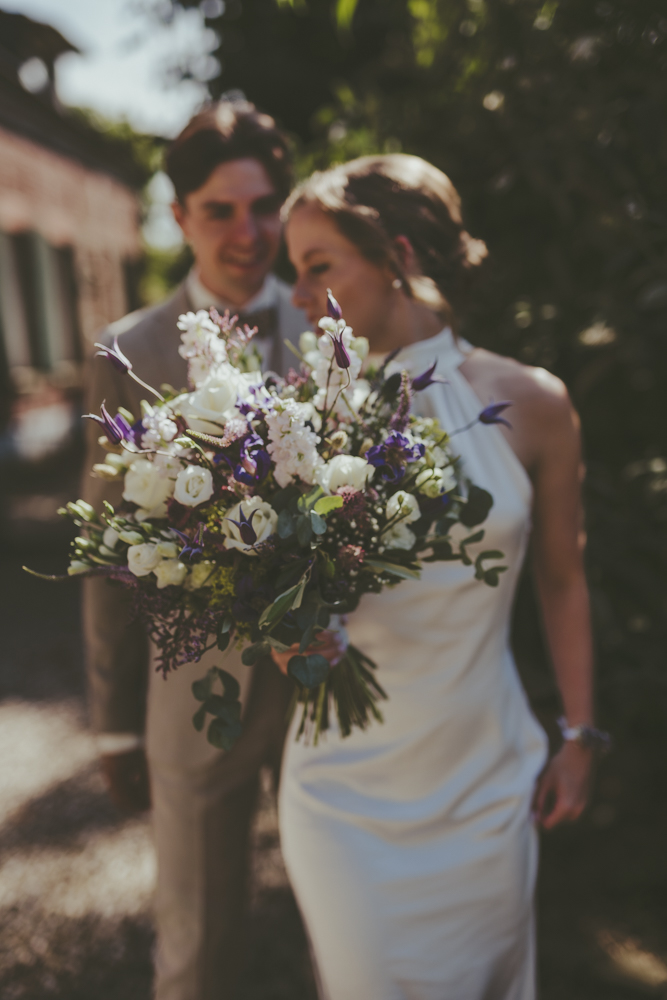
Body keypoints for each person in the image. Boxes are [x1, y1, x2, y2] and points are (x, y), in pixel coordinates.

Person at [272, 154, 601, 999]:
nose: (297, 293)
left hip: (483, 782)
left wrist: (578, 734)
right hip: (343, 795)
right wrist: (284, 638)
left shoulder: (533, 403)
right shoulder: (293, 420)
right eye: (294, 270)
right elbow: (277, 603)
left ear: (398, 255)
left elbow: (562, 580)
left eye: (317, 265)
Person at [82, 99, 308, 1000]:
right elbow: (108, 546)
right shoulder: (128, 350)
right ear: (178, 216)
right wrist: (113, 720)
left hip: (326, 681)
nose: (246, 233)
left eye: (263, 207)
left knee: (351, 929)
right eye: (219, 210)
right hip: (194, 691)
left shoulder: (336, 329)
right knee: (196, 947)